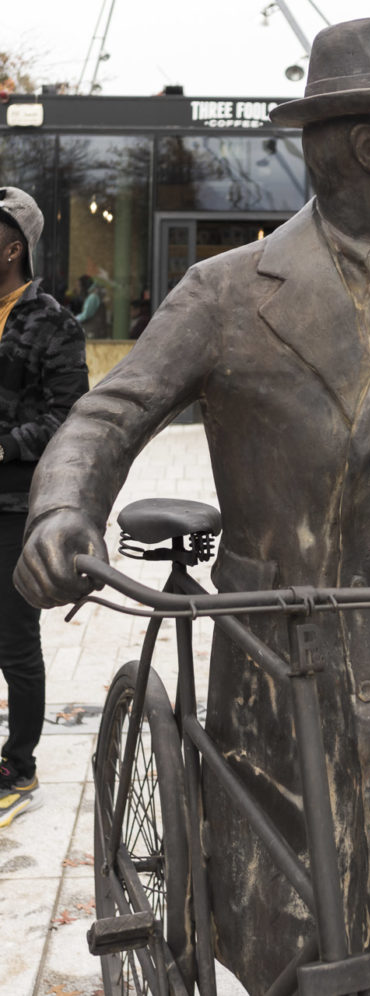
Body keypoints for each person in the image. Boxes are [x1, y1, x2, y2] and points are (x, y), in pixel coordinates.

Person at [14, 20, 370, 995]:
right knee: (291, 930)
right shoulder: (226, 294)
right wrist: (63, 509)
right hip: (276, 666)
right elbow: (109, 415)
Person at [0, 186, 88, 828]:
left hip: (11, 506)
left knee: (14, 641)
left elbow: (67, 417)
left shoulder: (53, 324)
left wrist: (4, 447)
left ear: (12, 248)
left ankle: (19, 760)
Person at [75, 274, 106, 338]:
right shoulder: (92, 296)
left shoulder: (93, 297)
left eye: (79, 286)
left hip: (92, 333)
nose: (77, 289)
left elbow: (86, 315)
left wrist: (73, 319)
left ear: (84, 286)